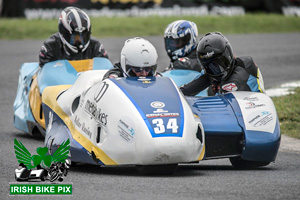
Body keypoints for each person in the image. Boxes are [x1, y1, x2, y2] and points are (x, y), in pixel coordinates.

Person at [180, 32, 265, 96]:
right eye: (210, 66)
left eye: (219, 63)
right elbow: (185, 90)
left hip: (254, 112)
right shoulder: (208, 76)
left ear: (228, 55)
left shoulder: (246, 65)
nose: (216, 69)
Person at [39, 7, 108, 67]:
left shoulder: (95, 46)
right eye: (75, 37)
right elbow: (46, 76)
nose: (80, 41)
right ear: (64, 34)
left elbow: (104, 70)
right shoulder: (50, 47)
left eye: (83, 36)